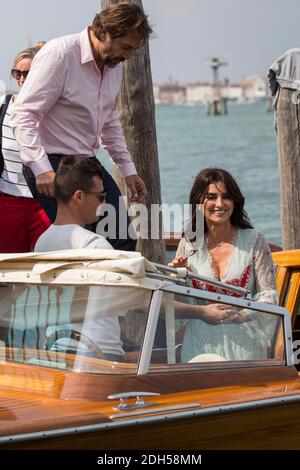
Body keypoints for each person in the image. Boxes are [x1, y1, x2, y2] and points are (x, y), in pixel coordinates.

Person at [11, 2, 152, 251]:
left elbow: (108, 122)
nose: (128, 56)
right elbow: (24, 115)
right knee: (79, 245)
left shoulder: (114, 65)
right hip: (52, 164)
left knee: (122, 239)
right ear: (105, 33)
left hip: (85, 162)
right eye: (126, 47)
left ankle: (112, 291)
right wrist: (41, 168)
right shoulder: (60, 54)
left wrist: (128, 170)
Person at [169, 168, 278, 362]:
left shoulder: (254, 241)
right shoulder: (188, 244)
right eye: (211, 197)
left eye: (226, 197)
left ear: (235, 202)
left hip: (245, 348)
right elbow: (176, 307)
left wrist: (243, 314)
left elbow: (270, 296)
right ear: (198, 203)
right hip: (198, 349)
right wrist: (177, 278)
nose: (219, 204)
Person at [35, 155, 124, 361]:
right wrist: (200, 312)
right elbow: (138, 300)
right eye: (100, 196)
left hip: (56, 350)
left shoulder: (41, 243)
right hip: (100, 354)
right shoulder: (94, 245)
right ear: (79, 197)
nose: (104, 202)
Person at [0, 43, 50, 253]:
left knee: (50, 265)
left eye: (27, 73)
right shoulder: (3, 105)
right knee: (8, 269)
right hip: (7, 201)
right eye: (17, 73)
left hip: (44, 202)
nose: (21, 79)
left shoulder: (53, 109)